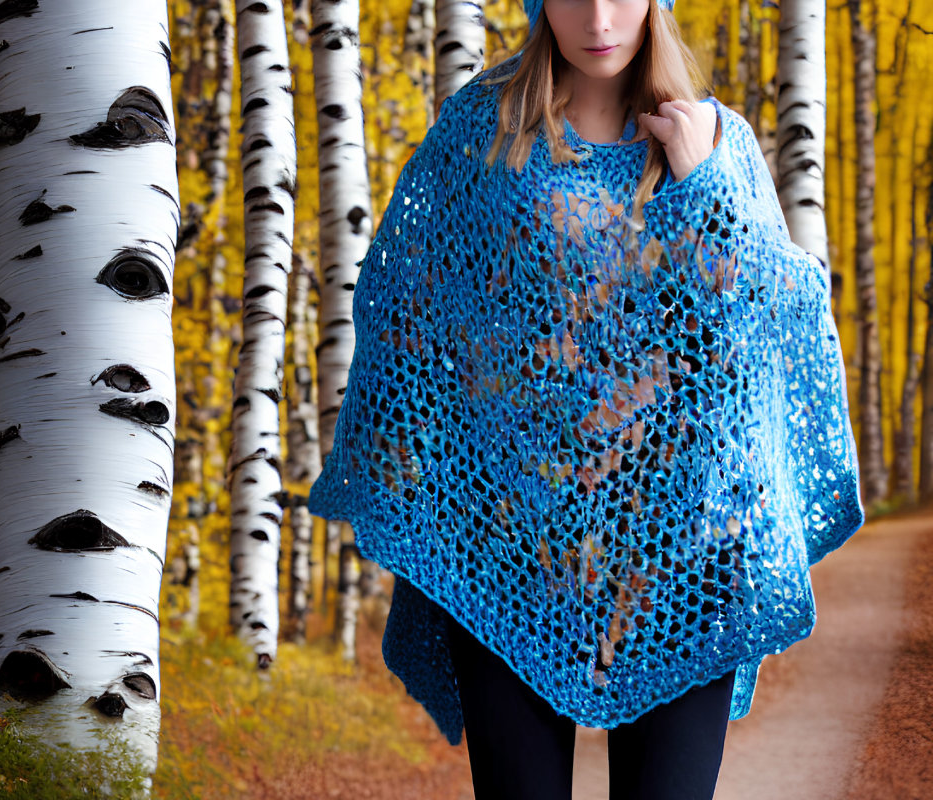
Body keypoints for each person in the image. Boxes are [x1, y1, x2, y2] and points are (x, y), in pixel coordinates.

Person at [309, 0, 864, 797]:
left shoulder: (718, 141)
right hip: (509, 544)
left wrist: (703, 184)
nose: (599, 18)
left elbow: (777, 327)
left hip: (689, 554)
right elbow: (407, 307)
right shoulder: (482, 131)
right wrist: (426, 474)